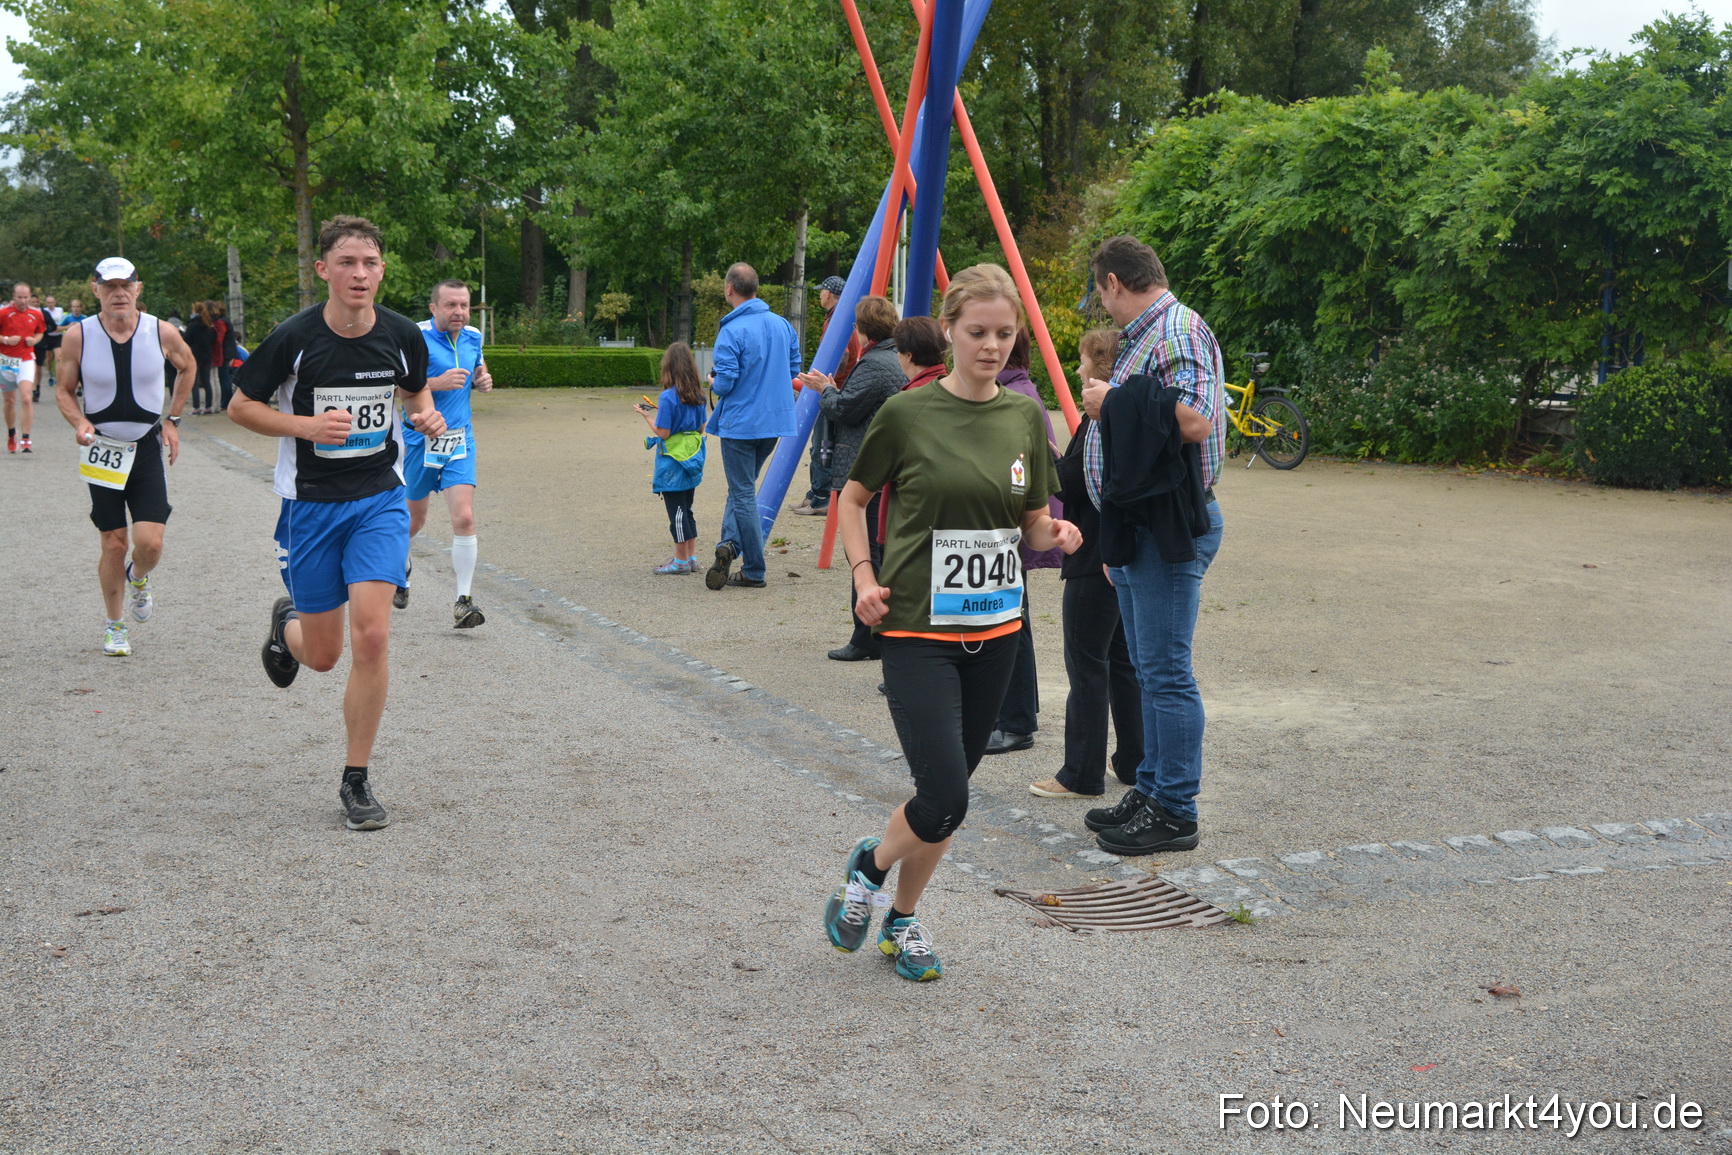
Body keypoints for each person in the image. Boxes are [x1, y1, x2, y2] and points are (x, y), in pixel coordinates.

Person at [823, 264, 1080, 980]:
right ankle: (867, 869)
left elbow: (1027, 521)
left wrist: (1052, 535)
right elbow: (851, 499)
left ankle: (900, 921)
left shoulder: (1025, 416)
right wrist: (863, 577)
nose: (992, 345)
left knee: (946, 798)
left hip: (996, 633)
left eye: (1004, 333)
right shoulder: (907, 413)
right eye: (977, 332)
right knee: (946, 792)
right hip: (915, 630)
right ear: (949, 330)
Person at [227, 215, 443, 833]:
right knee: (323, 656)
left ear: (382, 270)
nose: (359, 274)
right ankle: (286, 623)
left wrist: (424, 417)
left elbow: (415, 395)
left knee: (373, 637)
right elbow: (243, 406)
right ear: (323, 270)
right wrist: (305, 427)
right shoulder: (294, 338)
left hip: (379, 500)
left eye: (370, 264)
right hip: (311, 508)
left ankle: (356, 781)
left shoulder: (403, 336)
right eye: (347, 263)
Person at [1078, 235, 1225, 857]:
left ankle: (1176, 809)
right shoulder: (1147, 336)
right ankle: (1152, 790)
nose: (1101, 308)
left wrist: (1112, 400)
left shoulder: (1177, 329)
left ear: (1114, 281)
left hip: (1166, 528)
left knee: (1165, 674)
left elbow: (1195, 417)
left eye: (1099, 295)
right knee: (1148, 669)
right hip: (1141, 527)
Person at [54, 257, 198, 656]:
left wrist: (172, 420)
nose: (118, 293)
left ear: (138, 288)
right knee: (113, 542)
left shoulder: (161, 331)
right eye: (109, 286)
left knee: (149, 544)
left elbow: (188, 368)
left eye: (125, 285)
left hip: (146, 447)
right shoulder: (77, 336)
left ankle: (139, 577)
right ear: (95, 289)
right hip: (102, 449)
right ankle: (115, 626)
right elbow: (64, 389)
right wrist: (79, 421)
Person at [1029, 328, 1144, 799]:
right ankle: (1134, 760)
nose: (1076, 370)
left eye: (1081, 362)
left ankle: (1081, 772)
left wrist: (1045, 468)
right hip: (1110, 553)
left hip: (1094, 554)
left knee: (1087, 662)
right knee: (1120, 661)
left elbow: (1075, 481)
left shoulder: (1101, 421)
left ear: (1099, 365)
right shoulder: (1111, 418)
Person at [795, 295, 902, 660]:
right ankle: (876, 634)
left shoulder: (874, 363)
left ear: (861, 328)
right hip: (884, 467)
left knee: (865, 554)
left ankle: (867, 637)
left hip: (866, 468)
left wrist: (824, 389)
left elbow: (844, 408)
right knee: (877, 551)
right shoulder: (893, 358)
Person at [981, 329, 1065, 756]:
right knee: (1015, 618)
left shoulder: (1019, 399)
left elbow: (1022, 473)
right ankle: (1016, 714)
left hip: (1013, 528)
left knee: (1013, 621)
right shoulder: (1016, 390)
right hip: (1012, 527)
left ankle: (1016, 722)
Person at [396, 278, 492, 628]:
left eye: (464, 305)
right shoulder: (413, 337)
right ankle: (400, 566)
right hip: (419, 439)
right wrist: (434, 383)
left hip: (459, 439)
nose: (459, 312)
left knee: (464, 518)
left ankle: (463, 601)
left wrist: (483, 380)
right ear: (433, 307)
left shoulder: (474, 336)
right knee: (412, 521)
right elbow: (391, 385)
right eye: (451, 305)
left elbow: (479, 368)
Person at [704, 262, 799, 591]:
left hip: (740, 423)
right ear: (756, 289)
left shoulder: (731, 330)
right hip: (774, 423)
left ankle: (754, 569)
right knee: (741, 488)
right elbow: (793, 369)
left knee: (743, 493)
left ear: (729, 289)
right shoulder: (783, 325)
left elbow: (726, 383)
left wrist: (713, 381)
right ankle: (729, 545)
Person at [789, 275, 861, 517]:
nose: (819, 294)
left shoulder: (836, 321)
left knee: (822, 444)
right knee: (820, 444)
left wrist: (824, 380)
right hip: (838, 388)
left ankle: (821, 498)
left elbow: (842, 358)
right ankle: (815, 493)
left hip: (832, 389)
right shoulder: (845, 318)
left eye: (821, 291)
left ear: (829, 294)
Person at [638, 342, 708, 574]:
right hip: (692, 458)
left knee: (676, 512)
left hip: (673, 462)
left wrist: (647, 417)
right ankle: (691, 557)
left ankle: (679, 562)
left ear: (668, 367)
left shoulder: (668, 397)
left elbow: (664, 433)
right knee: (687, 509)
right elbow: (700, 428)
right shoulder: (699, 394)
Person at [1, 281, 47, 452]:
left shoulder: (36, 314)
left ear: (30, 297)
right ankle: (11, 432)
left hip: (26, 359)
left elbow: (40, 332)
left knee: (26, 397)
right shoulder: (4, 313)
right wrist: (5, 339)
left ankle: (26, 438)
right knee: (9, 401)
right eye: (19, 297)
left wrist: (34, 340)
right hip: (6, 361)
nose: (23, 300)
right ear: (13, 296)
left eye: (26, 297)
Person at [183, 302, 216, 414]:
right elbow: (213, 339)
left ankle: (196, 407)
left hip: (195, 355)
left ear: (195, 311)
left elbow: (186, 339)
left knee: (194, 382)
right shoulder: (209, 325)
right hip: (207, 355)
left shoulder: (192, 325)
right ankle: (208, 406)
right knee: (207, 381)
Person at [30, 292, 60, 402]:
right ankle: (31, 389)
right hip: (26, 344)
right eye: (32, 302)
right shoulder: (24, 313)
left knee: (37, 367)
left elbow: (53, 326)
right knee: (30, 366)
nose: (35, 303)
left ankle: (36, 389)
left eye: (36, 302)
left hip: (40, 343)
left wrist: (44, 330)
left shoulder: (43, 313)